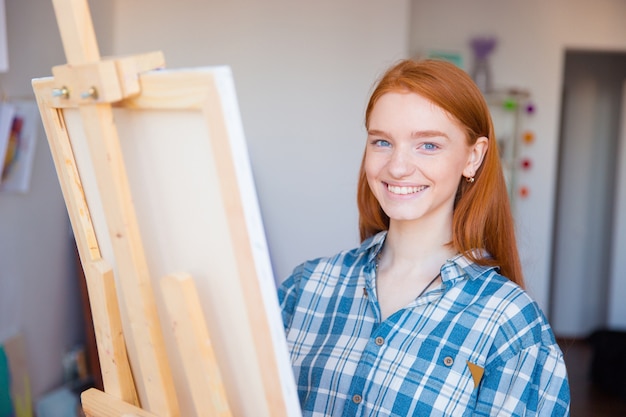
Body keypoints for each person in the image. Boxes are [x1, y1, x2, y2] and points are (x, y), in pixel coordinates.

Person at [278, 58, 570, 416]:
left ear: (473, 157)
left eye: (428, 145)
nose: (397, 167)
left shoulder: (511, 328)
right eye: (382, 142)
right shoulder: (304, 289)